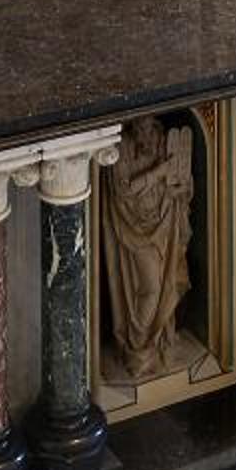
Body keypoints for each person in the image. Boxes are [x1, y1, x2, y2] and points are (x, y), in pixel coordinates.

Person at [100, 117, 194, 381]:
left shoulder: (164, 144)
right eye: (140, 129)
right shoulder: (121, 151)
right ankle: (139, 348)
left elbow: (182, 185)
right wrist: (158, 173)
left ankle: (160, 337)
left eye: (150, 129)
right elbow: (123, 191)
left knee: (168, 283)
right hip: (134, 231)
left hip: (165, 225)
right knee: (151, 289)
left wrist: (180, 188)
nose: (146, 136)